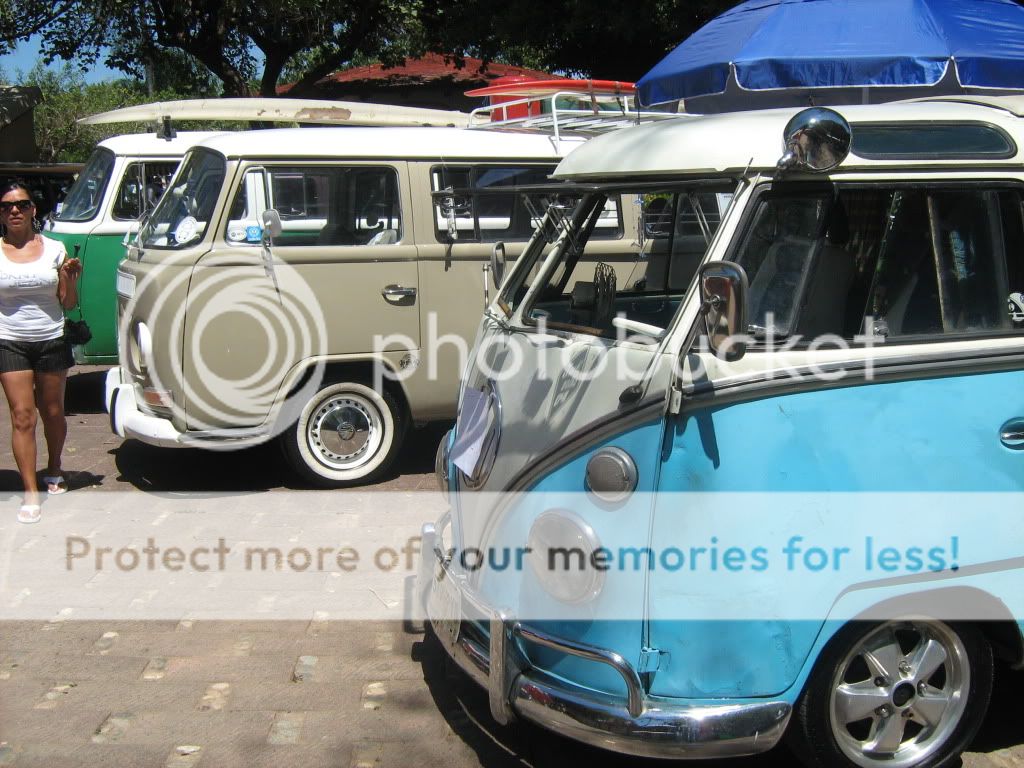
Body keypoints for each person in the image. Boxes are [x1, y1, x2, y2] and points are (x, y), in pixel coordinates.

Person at [0, 181, 82, 523]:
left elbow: (69, 303)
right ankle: (30, 491)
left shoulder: (55, 248)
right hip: (9, 340)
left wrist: (70, 278)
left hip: (50, 338)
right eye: (6, 206)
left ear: (33, 210)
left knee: (52, 412)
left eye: (21, 204)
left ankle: (55, 466)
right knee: (22, 416)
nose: (14, 210)